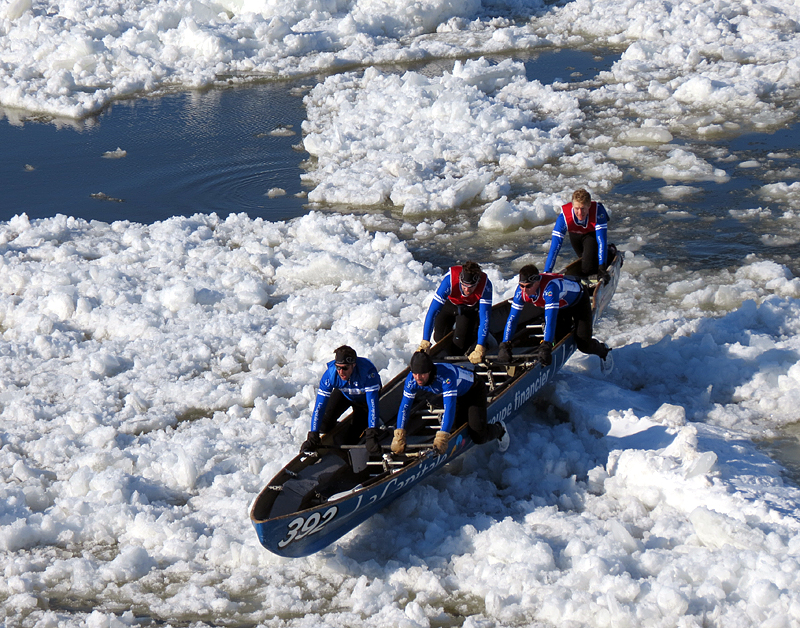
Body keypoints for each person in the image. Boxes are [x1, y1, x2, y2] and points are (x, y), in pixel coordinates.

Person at [390, 351, 507, 456]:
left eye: (422, 374)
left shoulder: (446, 377)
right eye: (415, 374)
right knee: (456, 428)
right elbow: (405, 407)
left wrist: (442, 437)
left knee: (478, 435)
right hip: (456, 395)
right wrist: (399, 434)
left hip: (473, 390)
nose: (418, 378)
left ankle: (499, 429)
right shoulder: (411, 380)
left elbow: (449, 408)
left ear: (430, 371)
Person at [497, 264, 610, 365]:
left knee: (584, 344)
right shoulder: (520, 292)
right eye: (522, 286)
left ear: (537, 282)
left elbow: (550, 320)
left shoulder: (550, 289)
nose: (524, 290)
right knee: (559, 341)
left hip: (579, 302)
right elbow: (512, 319)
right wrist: (505, 344)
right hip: (561, 306)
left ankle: (603, 350)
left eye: (528, 286)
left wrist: (546, 345)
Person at [300, 345, 383, 455]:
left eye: (345, 368)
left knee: (352, 438)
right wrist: (313, 435)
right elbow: (319, 407)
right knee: (323, 426)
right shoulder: (331, 374)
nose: (341, 372)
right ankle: (338, 427)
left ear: (353, 365)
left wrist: (372, 433)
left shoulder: (367, 373)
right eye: (338, 367)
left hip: (364, 400)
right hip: (345, 393)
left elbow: (373, 406)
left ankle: (375, 425)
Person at [417, 261, 493, 364]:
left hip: (468, 308)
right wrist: (425, 341)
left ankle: (476, 336)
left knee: (460, 346)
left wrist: (480, 346)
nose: (467, 289)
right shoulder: (449, 280)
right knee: (439, 338)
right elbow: (433, 311)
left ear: (477, 282)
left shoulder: (485, 286)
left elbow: (485, 318)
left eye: (471, 287)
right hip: (449, 304)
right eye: (464, 286)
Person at [544, 188, 611, 284]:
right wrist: (547, 273)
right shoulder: (564, 217)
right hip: (575, 235)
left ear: (589, 206)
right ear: (572, 206)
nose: (580, 213)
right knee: (585, 261)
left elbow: (602, 241)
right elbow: (555, 247)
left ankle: (608, 254)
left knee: (587, 268)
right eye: (576, 208)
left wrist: (602, 268)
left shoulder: (598, 212)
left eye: (583, 208)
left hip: (591, 234)